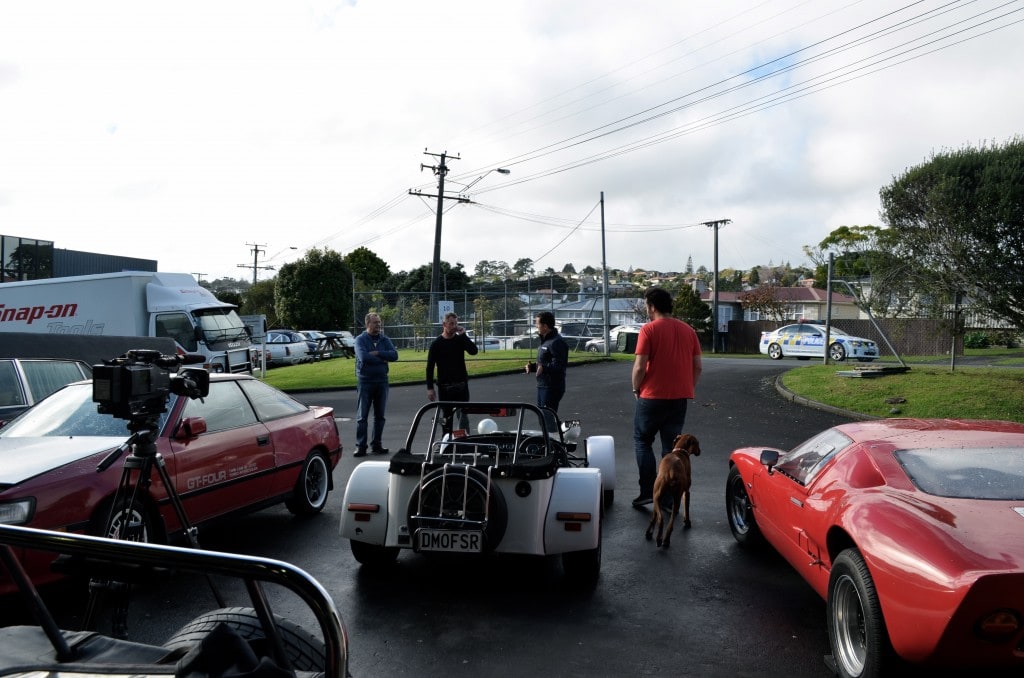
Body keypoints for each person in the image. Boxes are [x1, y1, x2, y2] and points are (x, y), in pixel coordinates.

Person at [631, 287, 703, 508]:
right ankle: (670, 499)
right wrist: (687, 386)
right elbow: (698, 366)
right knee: (671, 449)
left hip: (651, 396)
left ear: (652, 306)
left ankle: (647, 492)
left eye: (647, 306)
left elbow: (640, 367)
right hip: (679, 398)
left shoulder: (649, 330)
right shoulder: (689, 331)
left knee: (643, 442)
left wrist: (636, 388)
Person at [354, 312, 399, 457]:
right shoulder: (360, 340)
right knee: (362, 417)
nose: (378, 325)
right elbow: (363, 357)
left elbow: (394, 355)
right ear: (368, 324)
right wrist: (382, 358)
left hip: (382, 381)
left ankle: (377, 445)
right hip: (365, 381)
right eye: (375, 323)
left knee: (380, 416)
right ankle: (361, 447)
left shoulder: (384, 339)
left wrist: (378, 353)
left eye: (379, 322)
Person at [426, 312, 478, 432]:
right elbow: (430, 367)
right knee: (446, 418)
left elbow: (473, 351)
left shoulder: (460, 340)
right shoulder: (437, 344)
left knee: (463, 416)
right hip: (445, 386)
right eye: (451, 324)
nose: (454, 326)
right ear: (444, 324)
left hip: (461, 385)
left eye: (455, 324)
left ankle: (465, 443)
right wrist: (430, 388)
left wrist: (463, 335)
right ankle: (447, 443)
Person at [525, 311, 569, 428]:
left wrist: (543, 368)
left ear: (545, 326)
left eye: (537, 324)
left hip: (552, 387)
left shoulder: (556, 342)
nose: (536, 326)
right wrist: (533, 367)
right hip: (542, 385)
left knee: (547, 419)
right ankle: (551, 442)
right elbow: (545, 363)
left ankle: (555, 443)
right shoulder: (545, 341)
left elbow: (559, 366)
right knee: (543, 419)